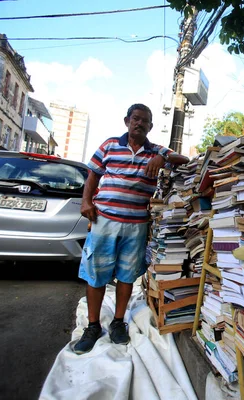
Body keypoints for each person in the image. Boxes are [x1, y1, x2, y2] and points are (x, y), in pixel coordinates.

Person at [74, 103, 189, 354]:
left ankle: (118, 323)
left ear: (150, 126)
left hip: (137, 224)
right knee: (96, 272)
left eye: (145, 121)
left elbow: (184, 160)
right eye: (135, 119)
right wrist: (85, 201)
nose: (139, 123)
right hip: (104, 220)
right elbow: (93, 174)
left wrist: (163, 157)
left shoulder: (156, 151)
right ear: (127, 121)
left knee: (126, 275)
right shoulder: (110, 145)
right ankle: (93, 326)